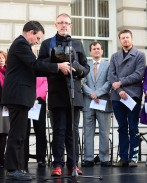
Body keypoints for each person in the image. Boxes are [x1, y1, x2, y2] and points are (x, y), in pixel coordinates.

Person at [1, 20, 70, 181]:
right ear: (31, 33)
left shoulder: (22, 45)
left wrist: (55, 71)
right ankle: (12, 169)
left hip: (20, 96)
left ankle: (17, 167)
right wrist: (57, 67)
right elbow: (34, 64)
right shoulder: (21, 44)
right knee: (17, 134)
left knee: (19, 134)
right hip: (17, 96)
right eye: (37, 38)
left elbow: (34, 70)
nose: (38, 41)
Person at [38, 13, 90, 176]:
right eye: (60, 23)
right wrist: (57, 65)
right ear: (55, 25)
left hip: (75, 94)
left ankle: (73, 164)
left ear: (71, 25)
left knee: (73, 131)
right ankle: (57, 164)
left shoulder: (78, 44)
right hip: (56, 93)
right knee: (59, 130)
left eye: (67, 23)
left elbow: (85, 68)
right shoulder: (47, 44)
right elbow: (40, 65)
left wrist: (76, 68)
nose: (64, 25)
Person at [108, 29, 145, 167]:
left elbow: (139, 74)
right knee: (122, 127)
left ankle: (133, 157)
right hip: (118, 96)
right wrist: (119, 89)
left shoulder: (140, 55)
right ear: (119, 40)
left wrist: (121, 82)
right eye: (123, 38)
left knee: (133, 127)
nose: (125, 40)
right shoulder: (114, 56)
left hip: (133, 96)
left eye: (127, 37)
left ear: (132, 39)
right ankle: (123, 157)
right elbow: (111, 76)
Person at [81, 42, 112, 167]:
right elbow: (82, 82)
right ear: (90, 52)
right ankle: (88, 158)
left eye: (98, 49)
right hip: (88, 102)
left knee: (104, 131)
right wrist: (91, 94)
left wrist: (98, 93)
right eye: (94, 49)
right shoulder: (85, 65)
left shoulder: (108, 64)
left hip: (103, 102)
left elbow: (110, 81)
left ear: (102, 51)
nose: (96, 51)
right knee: (88, 131)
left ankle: (104, 158)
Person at [24, 77, 48, 169]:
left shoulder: (42, 63)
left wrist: (35, 95)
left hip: (39, 100)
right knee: (24, 131)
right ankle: (23, 158)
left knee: (40, 130)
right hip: (25, 99)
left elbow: (45, 82)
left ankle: (41, 158)